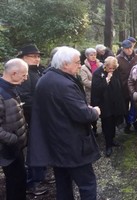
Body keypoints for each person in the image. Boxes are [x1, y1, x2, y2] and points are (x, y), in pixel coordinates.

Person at [27, 46, 101, 200]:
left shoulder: (46, 78)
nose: (80, 65)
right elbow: (83, 115)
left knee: (63, 183)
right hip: (72, 145)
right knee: (87, 184)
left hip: (56, 143)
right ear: (65, 64)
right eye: (77, 62)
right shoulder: (64, 84)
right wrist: (95, 111)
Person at [16, 44, 48, 196]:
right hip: (31, 119)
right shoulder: (25, 74)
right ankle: (33, 182)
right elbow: (25, 98)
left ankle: (42, 176)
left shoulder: (39, 70)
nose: (37, 58)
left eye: (38, 56)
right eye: (33, 56)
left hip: (42, 117)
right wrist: (41, 107)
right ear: (23, 58)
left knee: (43, 147)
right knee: (34, 150)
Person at [0, 58, 28, 200]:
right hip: (7, 149)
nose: (26, 78)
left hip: (16, 147)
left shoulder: (10, 88)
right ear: (14, 73)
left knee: (21, 179)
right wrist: (13, 139)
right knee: (14, 182)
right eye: (23, 75)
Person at [91, 56, 126, 157]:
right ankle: (108, 145)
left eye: (113, 68)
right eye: (109, 68)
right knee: (107, 123)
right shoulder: (98, 73)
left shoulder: (116, 71)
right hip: (105, 103)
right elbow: (96, 89)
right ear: (105, 66)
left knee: (114, 121)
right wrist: (106, 80)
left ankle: (112, 139)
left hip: (115, 101)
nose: (111, 70)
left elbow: (119, 85)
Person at [116, 39, 137, 134]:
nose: (129, 50)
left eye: (130, 47)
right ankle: (127, 125)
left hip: (136, 87)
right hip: (123, 88)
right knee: (125, 108)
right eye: (127, 48)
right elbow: (116, 74)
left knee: (136, 107)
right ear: (123, 49)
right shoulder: (118, 59)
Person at [80, 48, 103, 135]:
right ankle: (94, 128)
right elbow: (85, 81)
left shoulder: (100, 64)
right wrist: (97, 85)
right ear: (87, 56)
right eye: (91, 55)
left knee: (103, 109)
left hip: (101, 91)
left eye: (94, 55)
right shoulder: (83, 68)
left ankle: (104, 128)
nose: (93, 57)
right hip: (91, 92)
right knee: (92, 109)